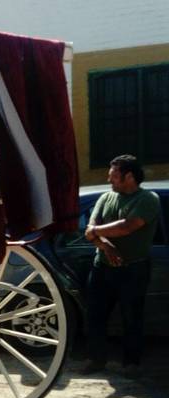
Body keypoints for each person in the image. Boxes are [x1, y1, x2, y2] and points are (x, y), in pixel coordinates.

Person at [82, 155, 161, 374]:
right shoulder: (106, 197)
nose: (110, 181)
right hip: (102, 267)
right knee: (95, 316)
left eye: (114, 176)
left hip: (134, 270)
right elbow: (89, 229)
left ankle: (131, 363)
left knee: (132, 318)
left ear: (129, 176)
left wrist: (97, 232)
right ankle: (96, 360)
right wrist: (106, 246)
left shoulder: (148, 199)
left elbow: (127, 226)